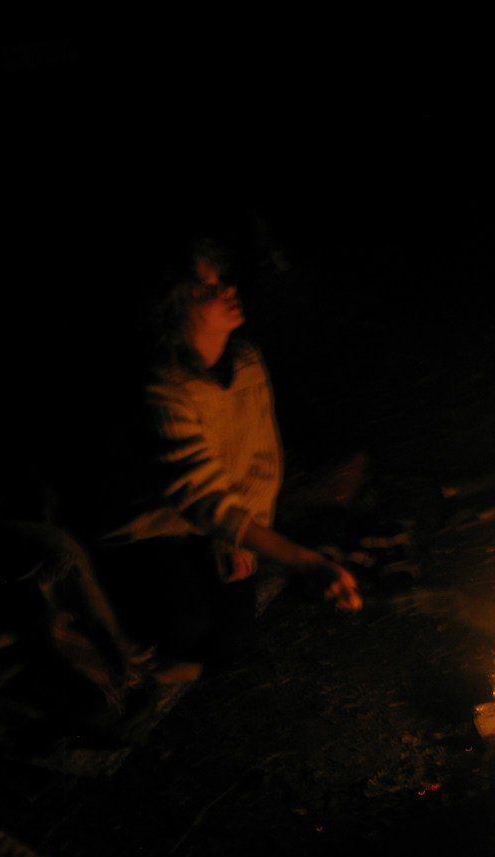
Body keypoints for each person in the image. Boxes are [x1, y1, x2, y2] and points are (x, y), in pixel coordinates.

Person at [99, 242, 360, 663]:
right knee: (183, 621)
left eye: (221, 282)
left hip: (213, 525)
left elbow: (261, 464)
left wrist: (242, 536)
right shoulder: (165, 391)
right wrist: (299, 559)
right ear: (173, 310)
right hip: (154, 527)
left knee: (234, 639)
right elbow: (200, 495)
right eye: (207, 290)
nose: (227, 291)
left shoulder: (247, 363)